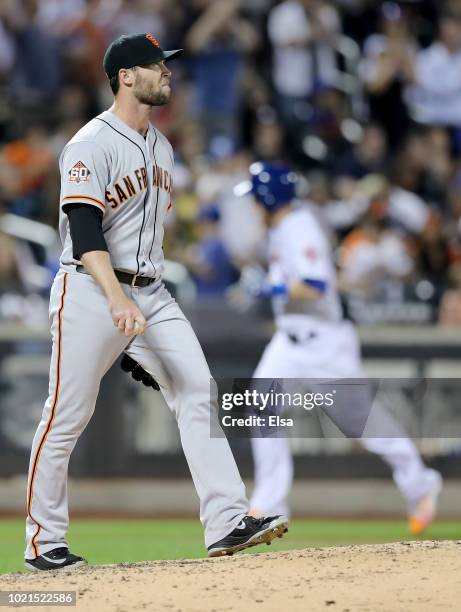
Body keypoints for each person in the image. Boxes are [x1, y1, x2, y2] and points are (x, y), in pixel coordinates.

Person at [24, 33, 288, 571]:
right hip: (91, 290)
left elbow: (150, 232)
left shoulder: (162, 147)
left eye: (165, 66)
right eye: (155, 66)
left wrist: (137, 325)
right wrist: (119, 306)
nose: (166, 73)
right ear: (125, 76)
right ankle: (42, 542)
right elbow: (84, 229)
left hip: (152, 292)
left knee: (196, 389)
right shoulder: (89, 143)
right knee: (65, 416)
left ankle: (227, 522)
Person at [241, 162, 441, 533]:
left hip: (323, 343)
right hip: (289, 339)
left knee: (363, 425)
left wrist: (272, 289)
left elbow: (315, 284)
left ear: (269, 199)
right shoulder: (282, 228)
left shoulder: (300, 230)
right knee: (260, 406)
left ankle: (419, 482)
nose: (253, 205)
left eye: (255, 198)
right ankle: (269, 504)